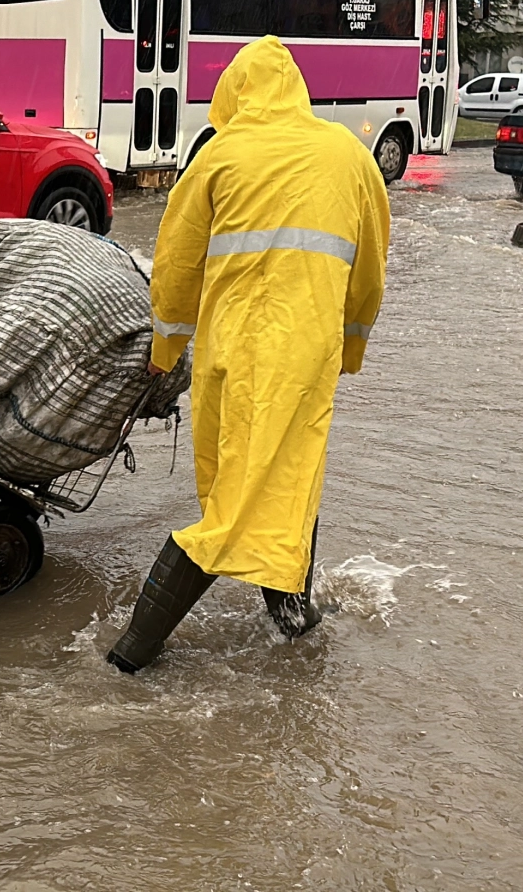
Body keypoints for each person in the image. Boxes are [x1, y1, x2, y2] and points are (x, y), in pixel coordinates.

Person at [105, 36, 390, 673]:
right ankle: (133, 653)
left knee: (261, 481)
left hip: (228, 354)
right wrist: (351, 347)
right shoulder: (351, 157)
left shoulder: (218, 156)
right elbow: (370, 269)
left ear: (236, 92)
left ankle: (289, 616)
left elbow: (177, 267)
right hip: (302, 354)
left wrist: (165, 348)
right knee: (264, 486)